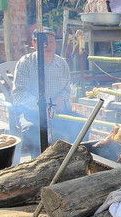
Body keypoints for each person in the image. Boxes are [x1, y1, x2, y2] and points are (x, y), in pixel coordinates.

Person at [11, 27, 83, 160]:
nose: (48, 45)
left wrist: (61, 99)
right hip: (31, 114)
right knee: (36, 132)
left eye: (51, 41)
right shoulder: (26, 63)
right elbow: (18, 94)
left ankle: (75, 161)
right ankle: (39, 165)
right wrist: (40, 106)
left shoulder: (62, 64)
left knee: (83, 125)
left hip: (57, 112)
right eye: (43, 42)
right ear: (34, 44)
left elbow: (67, 89)